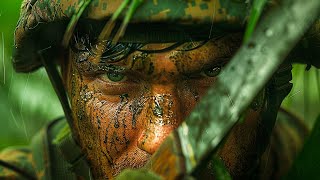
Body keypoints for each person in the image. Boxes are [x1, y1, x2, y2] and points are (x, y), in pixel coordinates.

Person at [0, 0, 318, 179]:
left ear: (273, 87)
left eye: (214, 73)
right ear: (67, 78)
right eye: (114, 75)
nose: (162, 137)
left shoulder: (299, 157)